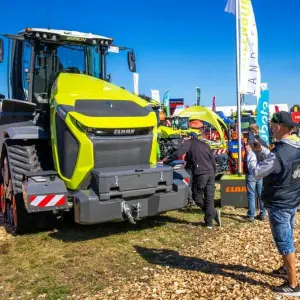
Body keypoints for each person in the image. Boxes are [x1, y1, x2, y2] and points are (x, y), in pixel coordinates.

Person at [246, 111, 300, 296]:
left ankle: (293, 284)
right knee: (288, 238)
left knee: (285, 243)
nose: (271, 128)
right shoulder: (296, 146)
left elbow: (257, 172)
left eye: (272, 125)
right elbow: (281, 161)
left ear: (278, 127)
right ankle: (286, 270)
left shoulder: (279, 153)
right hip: (292, 200)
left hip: (279, 203)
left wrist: (251, 154)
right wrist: (264, 151)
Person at [162, 132, 221, 229]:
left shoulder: (189, 142)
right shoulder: (205, 145)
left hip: (201, 173)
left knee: (196, 196)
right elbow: (213, 161)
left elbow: (178, 153)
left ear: (189, 137)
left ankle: (212, 213)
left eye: (184, 138)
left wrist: (166, 161)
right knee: (209, 199)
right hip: (210, 173)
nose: (183, 140)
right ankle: (209, 223)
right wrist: (213, 173)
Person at [244, 124, 268, 222]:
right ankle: (262, 214)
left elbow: (246, 157)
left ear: (250, 131)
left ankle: (251, 215)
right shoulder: (263, 142)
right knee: (261, 194)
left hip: (251, 172)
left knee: (251, 194)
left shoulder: (249, 143)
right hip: (261, 171)